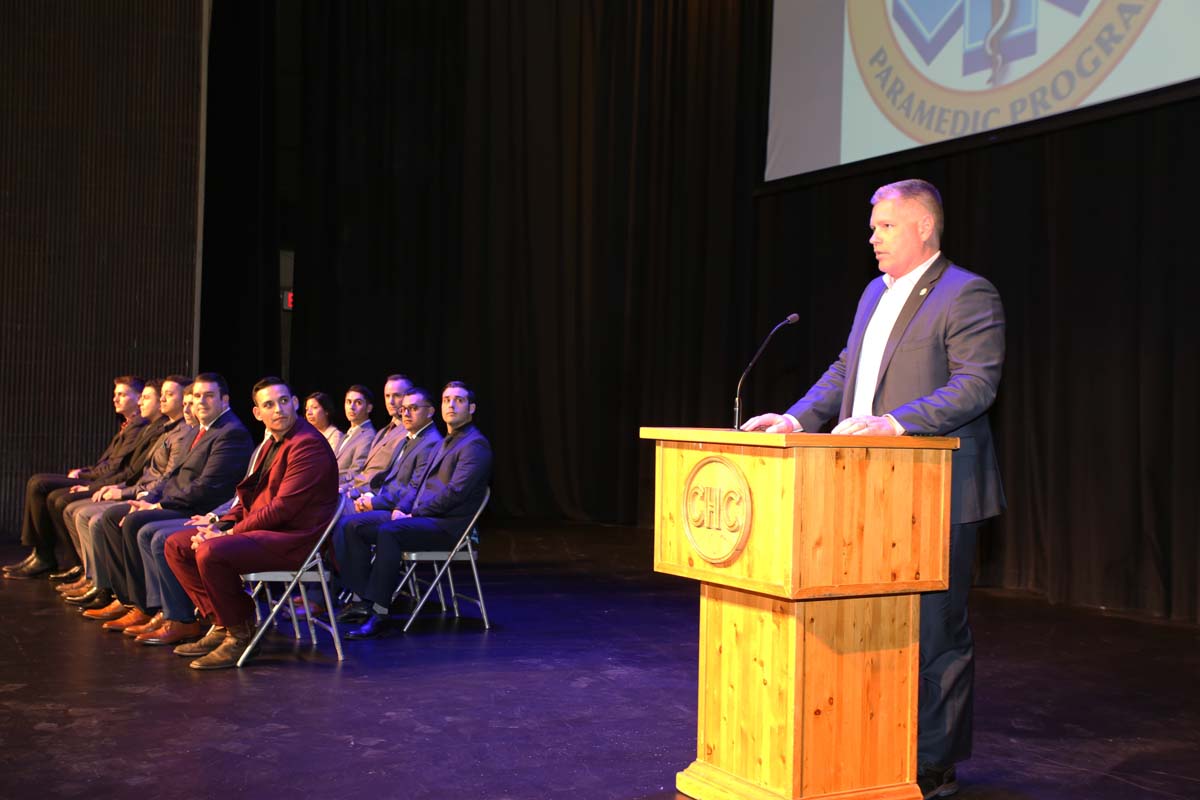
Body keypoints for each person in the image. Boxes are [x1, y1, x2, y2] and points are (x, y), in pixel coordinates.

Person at [740, 179, 1005, 799]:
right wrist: (798, 418)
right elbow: (845, 369)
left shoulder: (968, 294)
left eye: (884, 226)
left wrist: (896, 422)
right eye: (873, 227)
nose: (873, 237)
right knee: (874, 629)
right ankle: (876, 752)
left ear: (922, 227)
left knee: (937, 634)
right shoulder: (872, 294)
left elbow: (976, 386)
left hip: (938, 490)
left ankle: (933, 764)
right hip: (866, 493)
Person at [163, 376, 339, 669]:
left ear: (295, 403)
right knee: (177, 545)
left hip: (296, 540)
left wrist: (227, 534)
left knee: (211, 551)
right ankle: (222, 623)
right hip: (268, 533)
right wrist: (219, 524)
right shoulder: (273, 442)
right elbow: (252, 500)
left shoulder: (307, 445)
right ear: (258, 413)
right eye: (269, 405)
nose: (279, 409)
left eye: (284, 401)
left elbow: (283, 509)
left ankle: (240, 633)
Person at [82, 373, 253, 626]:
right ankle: (132, 600)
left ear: (224, 400)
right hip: (182, 502)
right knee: (112, 517)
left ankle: (170, 614)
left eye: (209, 396)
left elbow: (207, 487)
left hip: (200, 508)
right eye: (197, 396)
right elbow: (172, 476)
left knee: (143, 528)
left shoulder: (230, 433)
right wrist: (148, 498)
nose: (201, 402)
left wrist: (159, 504)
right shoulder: (203, 429)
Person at [337, 381, 492, 639]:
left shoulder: (474, 445)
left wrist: (414, 513)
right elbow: (417, 483)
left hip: (448, 525)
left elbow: (455, 493)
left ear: (472, 408)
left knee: (389, 531)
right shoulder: (447, 441)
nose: (451, 405)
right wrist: (402, 508)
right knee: (354, 525)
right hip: (424, 517)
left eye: (459, 400)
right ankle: (364, 597)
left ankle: (379, 610)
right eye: (446, 400)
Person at [4, 376, 147, 579]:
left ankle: (52, 557)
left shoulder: (139, 427)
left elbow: (116, 469)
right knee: (40, 484)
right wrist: (83, 470)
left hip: (103, 482)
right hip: (97, 478)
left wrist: (87, 480)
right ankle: (42, 553)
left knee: (42, 485)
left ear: (139, 398)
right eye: (115, 394)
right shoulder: (128, 425)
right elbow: (106, 463)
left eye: (122, 394)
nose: (115, 399)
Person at [341, 374, 412, 498]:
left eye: (397, 395)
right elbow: (365, 472)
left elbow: (385, 476)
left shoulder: (409, 432)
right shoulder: (382, 432)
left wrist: (356, 493)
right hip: (354, 491)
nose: (390, 401)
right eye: (387, 396)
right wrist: (344, 489)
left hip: (371, 496)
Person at [335, 384, 376, 485]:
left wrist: (327, 480)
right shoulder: (348, 433)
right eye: (348, 402)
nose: (351, 407)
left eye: (358, 402)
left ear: (369, 408)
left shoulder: (368, 436)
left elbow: (356, 473)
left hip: (342, 492)